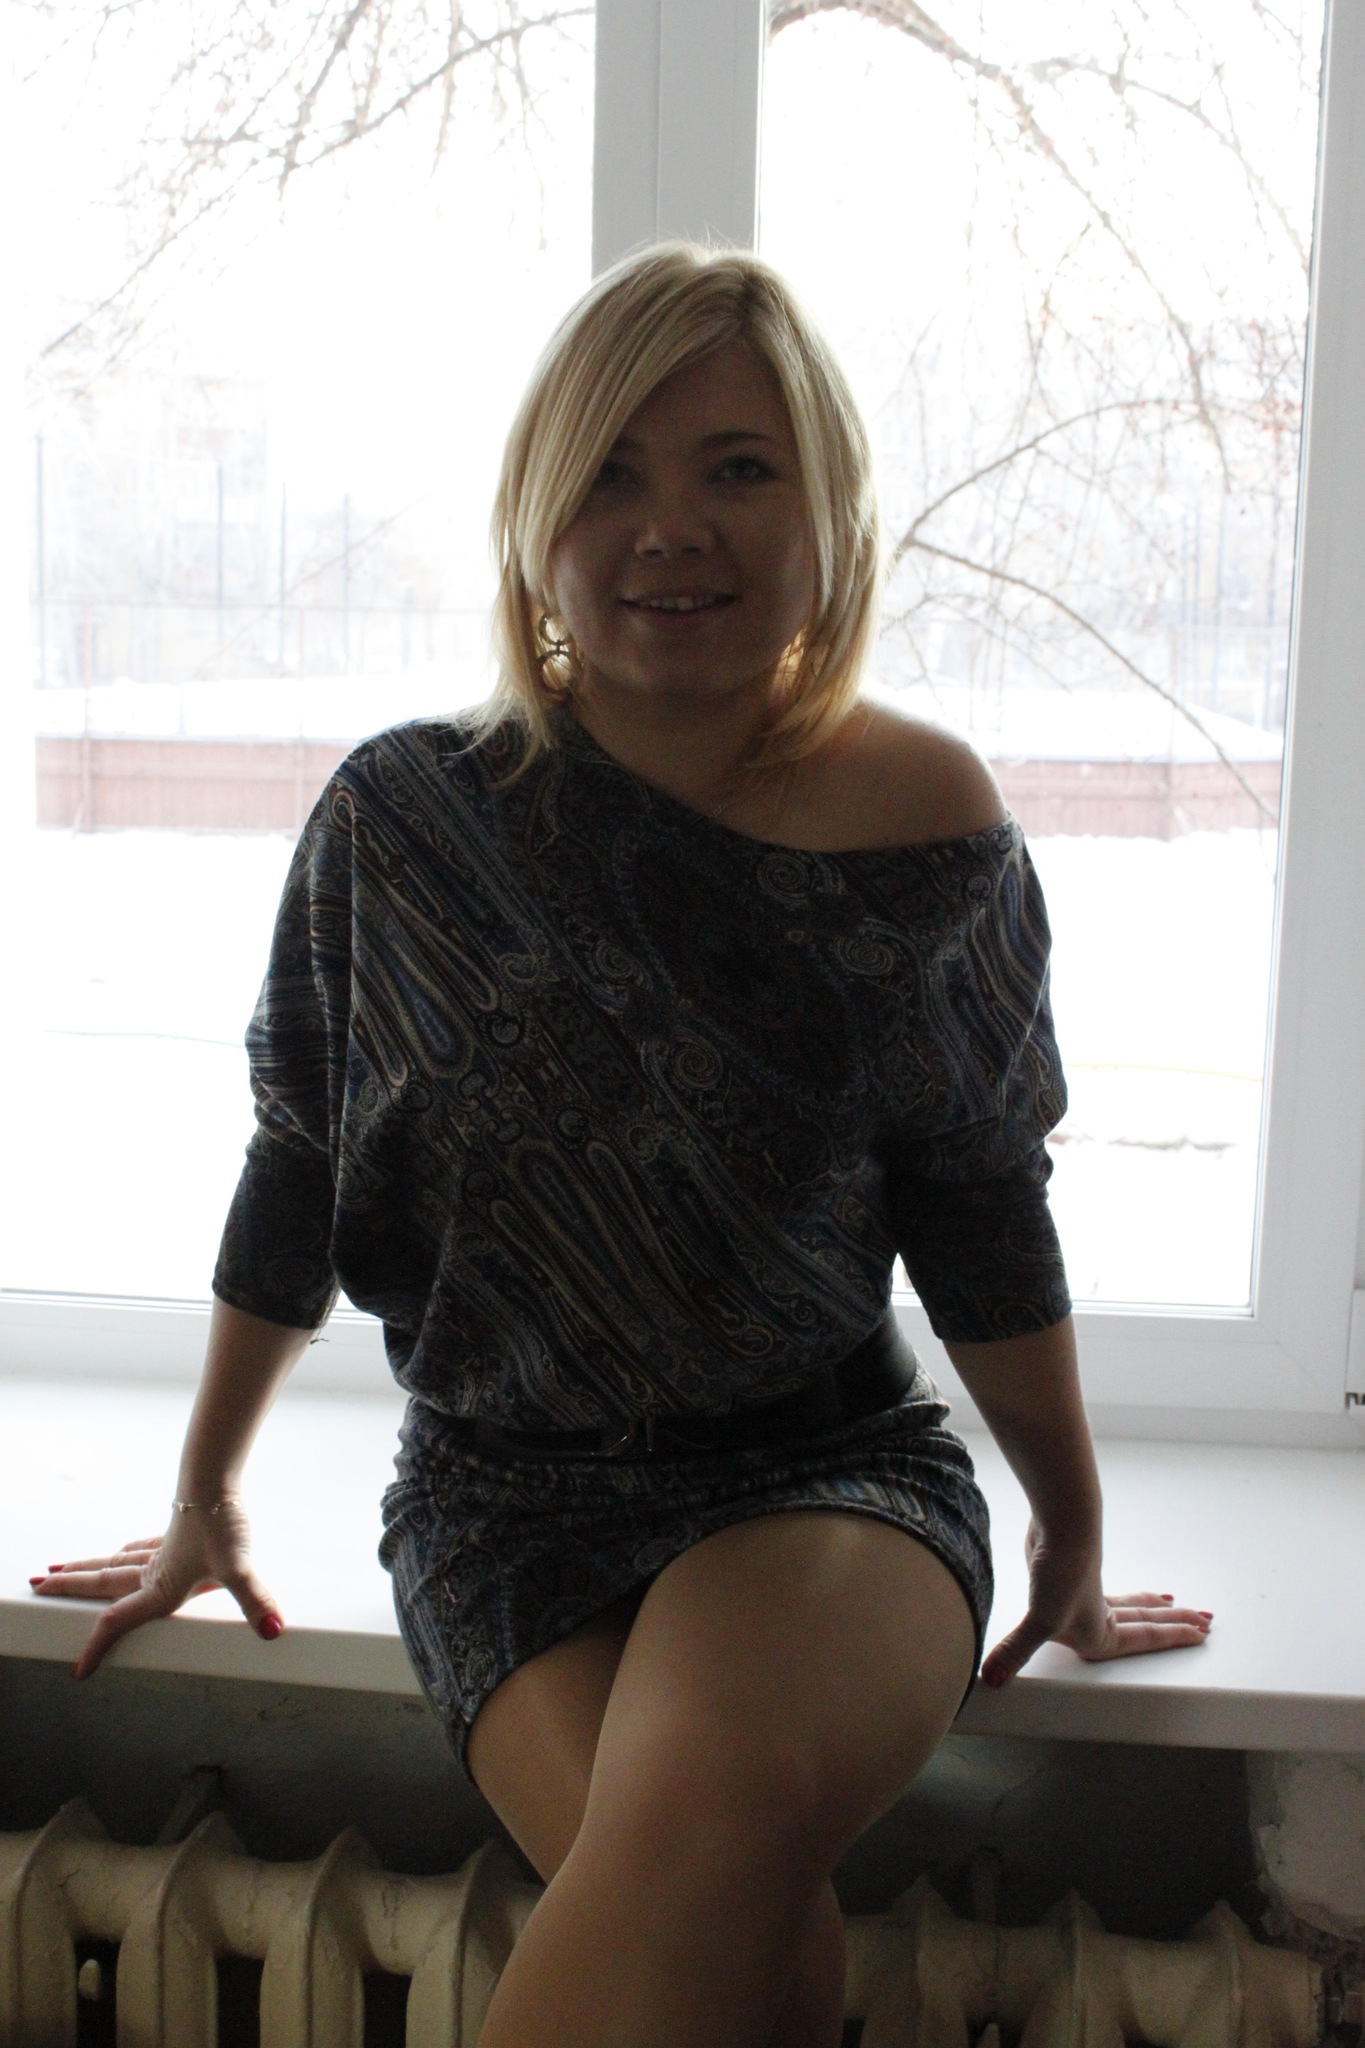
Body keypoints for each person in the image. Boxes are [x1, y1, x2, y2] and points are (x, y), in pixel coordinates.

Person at [34, 244, 1209, 2048]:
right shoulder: (402, 819)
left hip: (821, 1481)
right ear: (534, 521)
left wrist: (1068, 1527)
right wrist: (206, 1489)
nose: (672, 529)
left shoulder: (923, 819)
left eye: (738, 467)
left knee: (699, 1832)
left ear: (827, 508)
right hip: (497, 1501)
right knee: (754, 1958)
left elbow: (982, 1208)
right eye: (610, 473)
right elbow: (298, 1161)